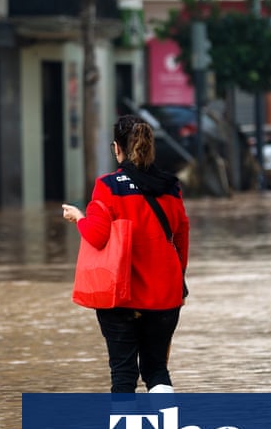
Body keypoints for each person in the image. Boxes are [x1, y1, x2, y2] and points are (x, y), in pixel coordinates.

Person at [62, 115, 190, 394]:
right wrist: (176, 281)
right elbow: (181, 236)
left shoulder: (108, 186)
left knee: (123, 374)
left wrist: (79, 218)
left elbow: (97, 236)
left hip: (121, 296)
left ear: (116, 148)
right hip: (165, 296)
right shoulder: (171, 186)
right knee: (157, 370)